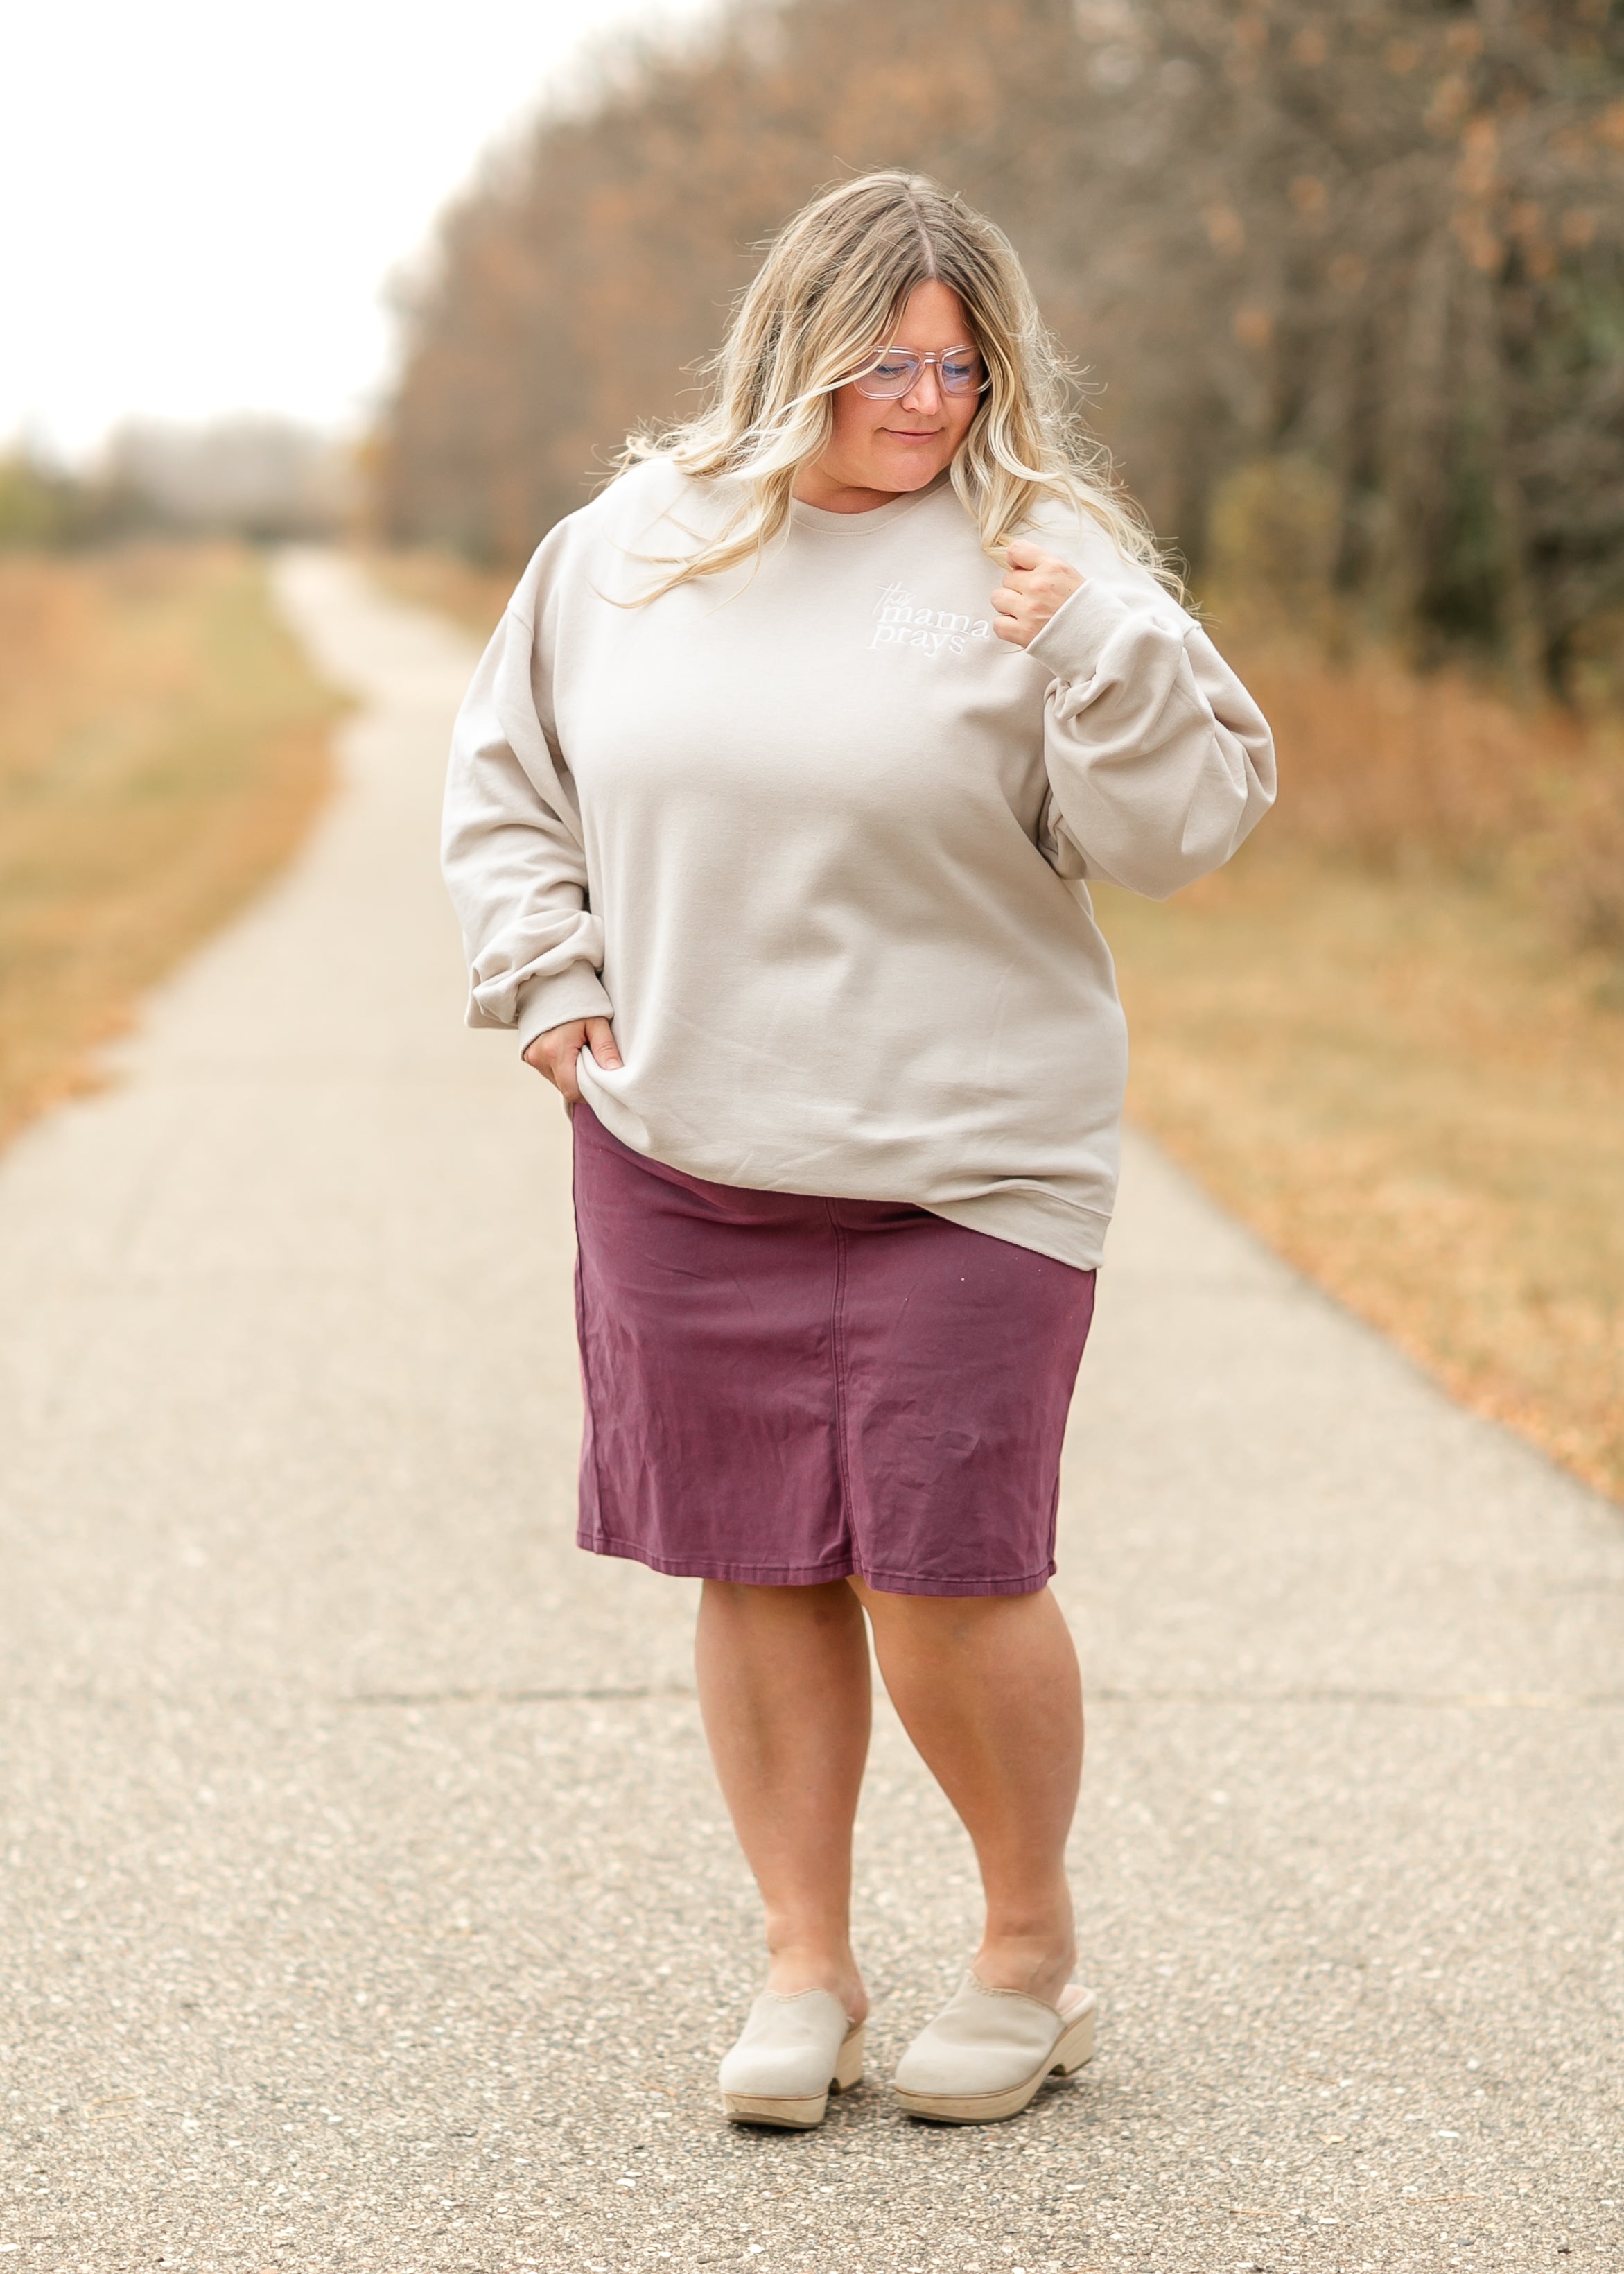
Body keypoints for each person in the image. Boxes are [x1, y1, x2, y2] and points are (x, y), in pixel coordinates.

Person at [442, 171, 1274, 2128]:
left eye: (960, 371)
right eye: (884, 366)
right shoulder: (625, 549)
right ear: (789, 352)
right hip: (686, 1148)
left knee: (952, 1578)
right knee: (752, 1563)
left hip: (968, 1165)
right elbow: (507, 785)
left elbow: (1183, 835)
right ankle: (803, 1963)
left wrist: (1107, 647)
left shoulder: (1043, 554)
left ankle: (1027, 1957)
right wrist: (546, 984)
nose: (923, 406)